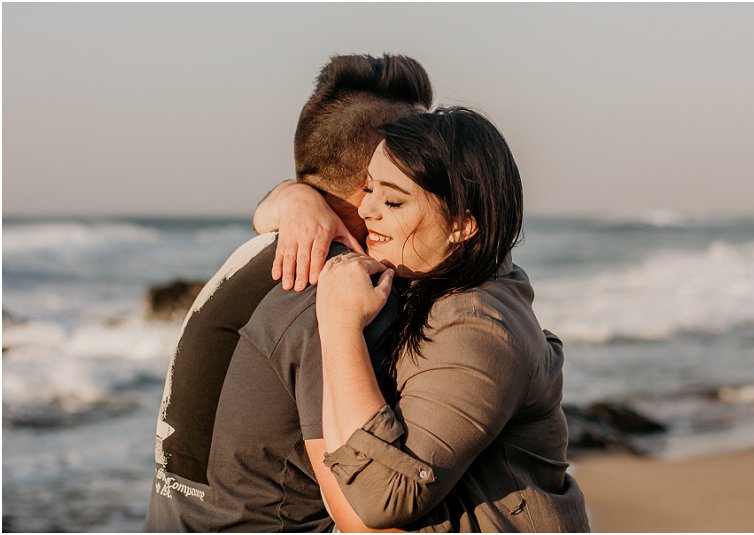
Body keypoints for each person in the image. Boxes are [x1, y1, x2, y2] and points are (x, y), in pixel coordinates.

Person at [262, 107, 590, 531]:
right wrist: (297, 200)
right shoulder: (443, 273)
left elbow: (384, 498)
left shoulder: (478, 328)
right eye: (369, 188)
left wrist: (339, 324)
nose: (366, 210)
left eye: (393, 201)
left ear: (462, 224)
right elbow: (262, 215)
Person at [143, 53, 433, 532]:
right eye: (425, 158)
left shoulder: (252, 253)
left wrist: (289, 194)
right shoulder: (341, 295)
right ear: (378, 180)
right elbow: (365, 518)